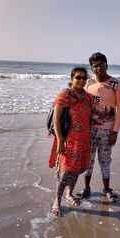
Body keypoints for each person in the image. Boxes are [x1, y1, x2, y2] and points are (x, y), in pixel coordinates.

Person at [77, 52, 120, 202]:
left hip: (107, 130)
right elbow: (81, 103)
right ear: (91, 68)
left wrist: (115, 132)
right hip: (88, 129)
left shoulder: (115, 85)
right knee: (88, 160)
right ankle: (86, 188)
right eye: (94, 66)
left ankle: (107, 189)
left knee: (105, 160)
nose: (98, 68)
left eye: (101, 64)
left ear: (107, 65)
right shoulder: (89, 84)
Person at [49, 67, 92, 216]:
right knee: (65, 171)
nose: (81, 80)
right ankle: (57, 201)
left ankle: (69, 193)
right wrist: (60, 140)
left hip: (84, 140)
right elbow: (56, 119)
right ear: (72, 79)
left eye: (83, 78)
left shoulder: (87, 97)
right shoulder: (64, 95)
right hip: (69, 140)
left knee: (76, 171)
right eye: (78, 77)